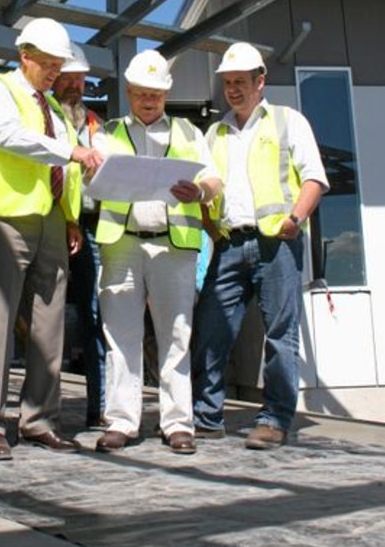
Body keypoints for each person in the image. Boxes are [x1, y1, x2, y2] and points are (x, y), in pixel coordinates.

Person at [0, 17, 103, 460]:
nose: (53, 72)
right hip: (5, 217)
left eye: (57, 65)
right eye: (46, 63)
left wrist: (68, 219)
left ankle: (39, 420)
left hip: (49, 221)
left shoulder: (52, 109)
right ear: (23, 55)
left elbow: (63, 174)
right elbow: (9, 138)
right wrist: (72, 150)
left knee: (50, 325)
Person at [191, 41, 329, 449]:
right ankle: (206, 416)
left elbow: (314, 178)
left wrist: (294, 219)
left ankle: (274, 419)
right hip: (229, 244)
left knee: (280, 334)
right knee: (212, 329)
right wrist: (210, 228)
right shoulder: (214, 132)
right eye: (228, 83)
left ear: (260, 81)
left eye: (240, 82)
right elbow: (205, 187)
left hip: (277, 243)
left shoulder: (288, 121)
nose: (233, 89)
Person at [92, 50, 222, 455]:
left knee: (177, 336)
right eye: (142, 93)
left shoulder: (188, 132)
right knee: (121, 335)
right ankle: (121, 421)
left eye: (158, 93)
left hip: (173, 246)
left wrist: (200, 191)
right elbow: (89, 182)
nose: (150, 100)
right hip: (123, 243)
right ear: (129, 92)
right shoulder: (106, 133)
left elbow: (215, 180)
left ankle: (178, 422)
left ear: (167, 94)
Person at [52, 42, 107, 430]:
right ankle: (40, 407)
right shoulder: (43, 116)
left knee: (94, 316)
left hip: (90, 226)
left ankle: (99, 407)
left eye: (80, 78)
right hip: (51, 221)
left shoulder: (96, 125)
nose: (75, 85)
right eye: (68, 77)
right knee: (43, 316)